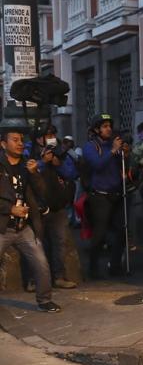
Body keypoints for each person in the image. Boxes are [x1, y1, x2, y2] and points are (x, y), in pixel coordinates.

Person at [0, 123, 61, 312]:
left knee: (41, 263)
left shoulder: (27, 165)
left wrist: (34, 174)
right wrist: (10, 209)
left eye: (21, 140)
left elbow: (42, 192)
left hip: (24, 226)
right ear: (3, 144)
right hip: (2, 226)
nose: (20, 144)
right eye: (15, 140)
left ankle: (44, 300)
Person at [24, 124, 78, 289]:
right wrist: (42, 162)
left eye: (54, 133)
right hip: (37, 207)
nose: (52, 137)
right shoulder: (29, 150)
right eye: (48, 134)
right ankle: (34, 279)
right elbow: (24, 171)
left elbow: (72, 173)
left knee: (60, 242)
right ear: (39, 137)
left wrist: (57, 163)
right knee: (36, 244)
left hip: (58, 206)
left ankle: (59, 277)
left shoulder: (61, 151)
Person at [83, 114, 129, 278]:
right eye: (104, 126)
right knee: (100, 233)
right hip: (100, 197)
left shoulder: (113, 144)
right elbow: (98, 165)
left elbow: (120, 165)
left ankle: (115, 265)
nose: (108, 129)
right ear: (97, 129)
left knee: (122, 230)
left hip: (116, 194)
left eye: (109, 125)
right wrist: (113, 150)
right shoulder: (90, 147)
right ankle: (93, 268)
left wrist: (124, 153)